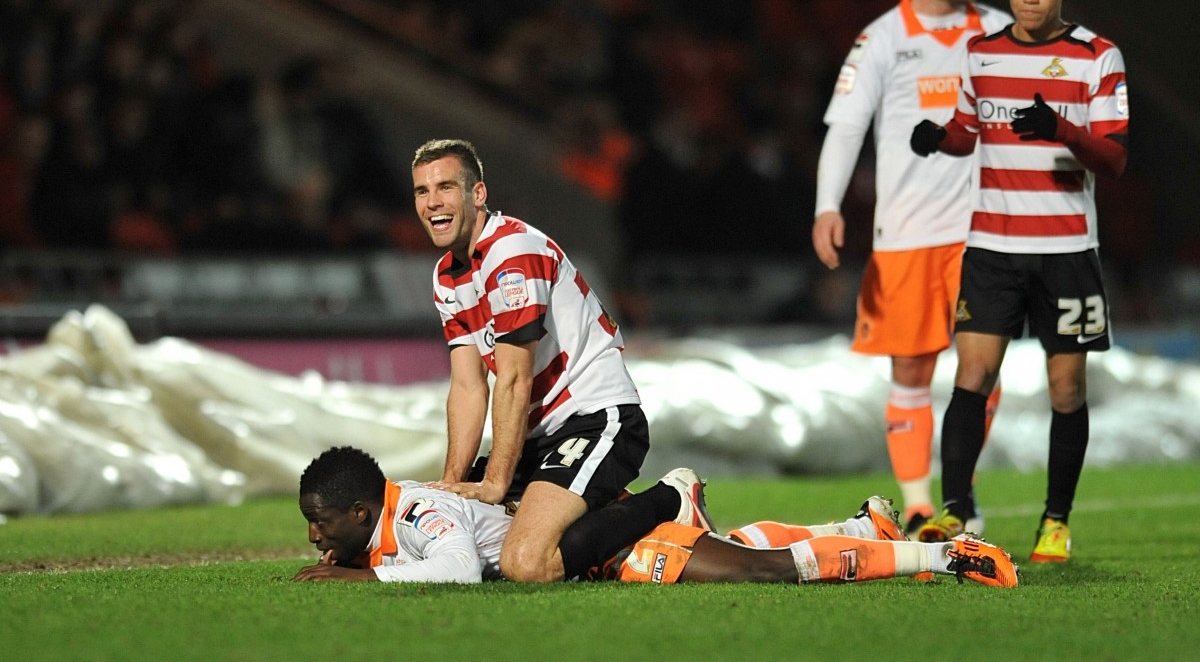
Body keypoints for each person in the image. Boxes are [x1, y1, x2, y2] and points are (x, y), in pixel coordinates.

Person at [908, 0, 1129, 562]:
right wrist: (938, 138)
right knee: (971, 377)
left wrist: (1062, 130)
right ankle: (955, 512)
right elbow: (967, 131)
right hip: (993, 246)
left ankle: (1055, 521)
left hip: (1067, 249)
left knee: (1066, 390)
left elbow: (1114, 159)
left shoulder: (1097, 57)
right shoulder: (981, 53)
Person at [812, 0, 1011, 536]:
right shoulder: (882, 39)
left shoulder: (1000, 31)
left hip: (984, 234)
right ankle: (920, 504)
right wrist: (826, 206)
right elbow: (846, 126)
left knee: (984, 370)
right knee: (911, 372)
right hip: (906, 236)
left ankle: (960, 496)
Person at [409, 138, 656, 583]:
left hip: (594, 419)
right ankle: (601, 513)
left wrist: (494, 484)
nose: (433, 203)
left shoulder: (512, 252)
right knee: (450, 534)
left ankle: (670, 500)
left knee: (524, 562)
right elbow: (467, 387)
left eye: (445, 187)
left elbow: (513, 379)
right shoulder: (446, 274)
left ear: (477, 194)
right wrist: (451, 487)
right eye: (422, 191)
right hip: (539, 438)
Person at [292, 446, 1018, 588]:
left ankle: (946, 555)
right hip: (599, 547)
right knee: (739, 549)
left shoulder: (419, 512)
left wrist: (360, 578)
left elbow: (457, 569)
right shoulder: (390, 521)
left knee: (761, 571)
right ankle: (864, 528)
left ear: (361, 510)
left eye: (321, 522)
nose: (315, 535)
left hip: (614, 546)